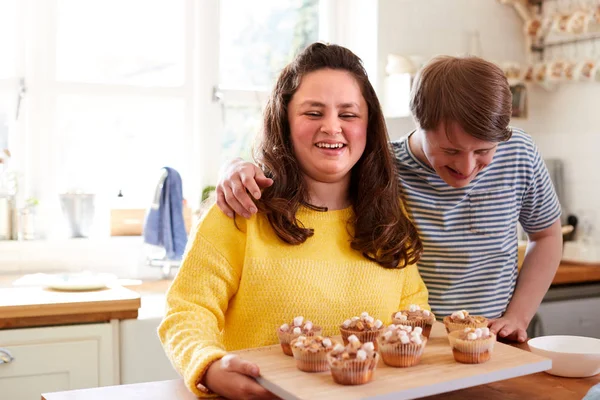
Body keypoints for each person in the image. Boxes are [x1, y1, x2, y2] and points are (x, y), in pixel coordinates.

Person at [215, 55, 563, 344]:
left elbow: (546, 236)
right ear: (418, 124)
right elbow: (313, 173)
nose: (467, 166)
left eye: (483, 151)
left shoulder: (520, 154)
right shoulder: (382, 166)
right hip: (412, 344)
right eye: (450, 150)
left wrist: (517, 315)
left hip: (496, 337)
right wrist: (235, 166)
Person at [159, 42, 429, 399]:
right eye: (313, 113)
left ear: (369, 125)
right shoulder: (240, 210)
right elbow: (187, 310)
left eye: (348, 115)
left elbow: (414, 314)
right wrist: (208, 365)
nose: (332, 128)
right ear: (284, 121)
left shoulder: (390, 220)